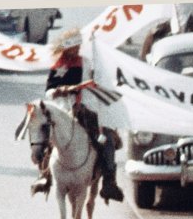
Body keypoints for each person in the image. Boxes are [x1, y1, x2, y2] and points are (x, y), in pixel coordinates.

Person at [29, 29, 123, 203]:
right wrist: (60, 90)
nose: (78, 49)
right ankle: (44, 175)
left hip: (86, 107)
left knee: (107, 137)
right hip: (63, 109)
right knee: (46, 138)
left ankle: (109, 181)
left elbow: (96, 84)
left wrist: (96, 77)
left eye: (79, 46)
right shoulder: (58, 65)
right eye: (74, 46)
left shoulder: (86, 63)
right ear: (67, 47)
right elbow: (49, 90)